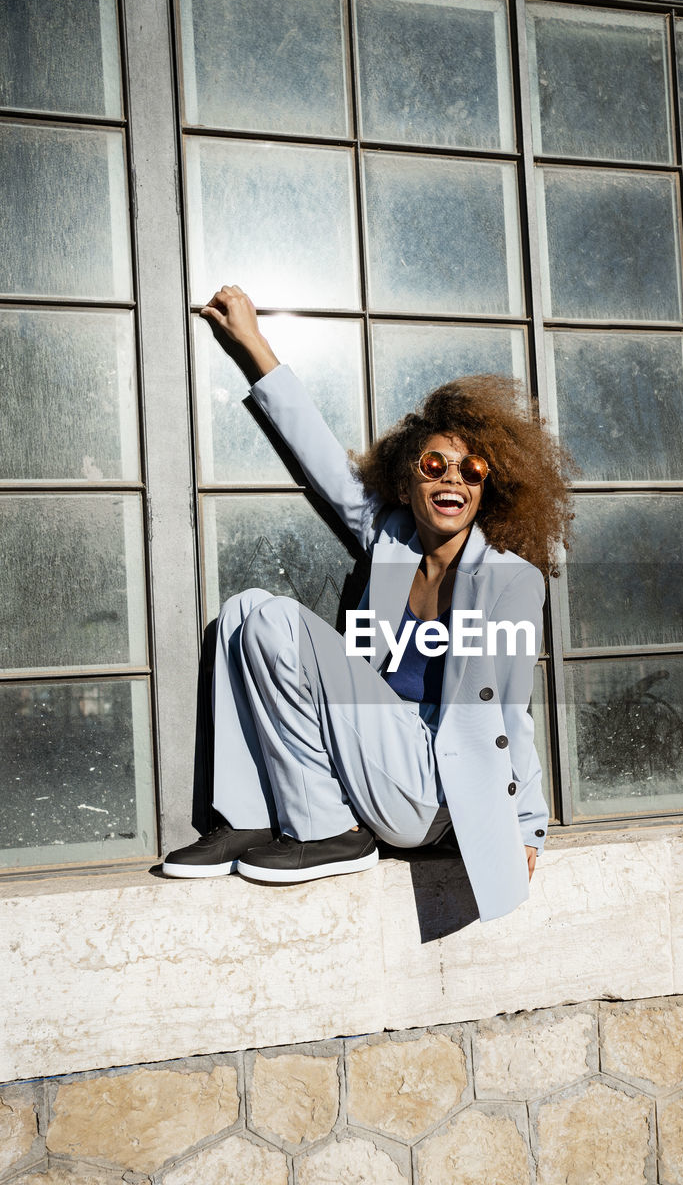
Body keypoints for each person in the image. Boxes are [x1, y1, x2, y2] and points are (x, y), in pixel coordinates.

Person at [162, 285, 573, 922]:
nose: (452, 481)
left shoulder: (510, 582)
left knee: (277, 621)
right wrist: (251, 344)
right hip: (377, 760)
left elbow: (509, 710)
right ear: (408, 477)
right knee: (243, 611)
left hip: (434, 788)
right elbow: (322, 458)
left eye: (472, 471)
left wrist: (525, 826)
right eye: (435, 465)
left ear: (490, 487)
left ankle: (327, 830)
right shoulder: (391, 540)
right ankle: (243, 818)